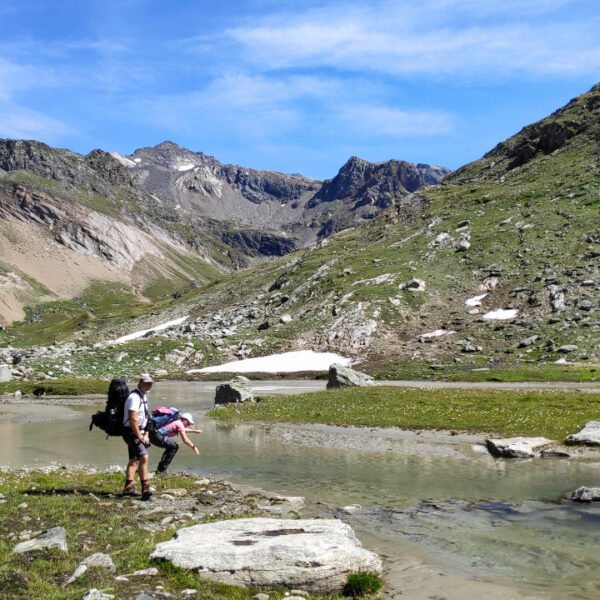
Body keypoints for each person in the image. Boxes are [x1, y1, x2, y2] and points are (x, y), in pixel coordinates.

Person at [121, 374, 153, 500]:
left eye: (150, 383)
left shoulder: (143, 396)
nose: (148, 385)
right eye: (146, 383)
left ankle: (128, 487)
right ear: (140, 383)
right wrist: (140, 436)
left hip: (138, 431)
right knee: (144, 456)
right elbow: (133, 419)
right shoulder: (134, 397)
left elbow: (146, 417)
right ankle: (145, 487)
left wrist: (146, 434)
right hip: (131, 431)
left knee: (134, 459)